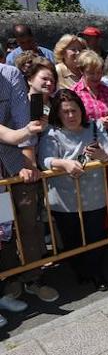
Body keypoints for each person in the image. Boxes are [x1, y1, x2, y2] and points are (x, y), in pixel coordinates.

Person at [38, 89, 108, 291]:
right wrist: (63, 163)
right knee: (71, 238)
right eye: (65, 112)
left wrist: (101, 155)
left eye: (74, 110)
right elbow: (43, 160)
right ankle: (80, 271)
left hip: (94, 195)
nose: (71, 115)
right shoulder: (52, 132)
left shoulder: (95, 127)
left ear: (81, 110)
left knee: (95, 236)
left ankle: (97, 273)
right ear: (57, 113)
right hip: (64, 198)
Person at [0, 63, 59, 303]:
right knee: (4, 226)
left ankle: (34, 278)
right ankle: (10, 278)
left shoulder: (10, 74)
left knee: (28, 221)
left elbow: (23, 122)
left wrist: (28, 165)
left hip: (18, 160)